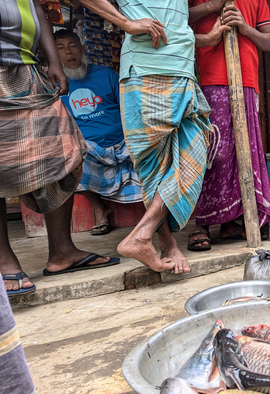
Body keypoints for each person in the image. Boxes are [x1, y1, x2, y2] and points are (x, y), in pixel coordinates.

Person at [77, 0, 212, 273]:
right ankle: (161, 242)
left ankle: (146, 237)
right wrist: (126, 23)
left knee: (194, 152)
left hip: (181, 71)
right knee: (154, 168)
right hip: (147, 69)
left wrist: (210, 22)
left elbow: (174, 14)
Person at [0, 0, 119, 296]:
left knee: (66, 153)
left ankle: (62, 251)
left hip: (28, 72)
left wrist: (53, 60)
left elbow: (35, 8)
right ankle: (4, 260)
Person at [186, 0, 270, 251]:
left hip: (247, 82)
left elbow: (269, 42)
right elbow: (179, 19)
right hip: (213, 80)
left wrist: (246, 28)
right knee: (214, 153)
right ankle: (201, 224)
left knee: (243, 154)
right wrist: (213, 6)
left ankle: (230, 221)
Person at [54, 30, 142, 235]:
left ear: (83, 49)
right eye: (61, 48)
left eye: (72, 45)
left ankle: (154, 218)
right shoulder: (56, 85)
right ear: (55, 56)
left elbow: (127, 108)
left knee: (150, 156)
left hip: (122, 142)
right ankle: (100, 208)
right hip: (89, 148)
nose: (68, 52)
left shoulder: (107, 74)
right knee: (71, 159)